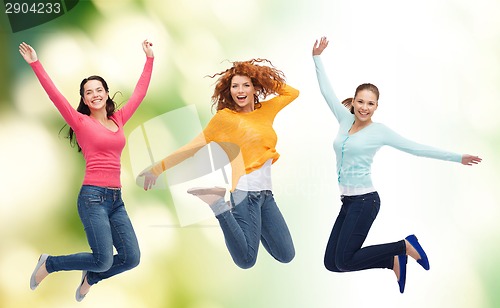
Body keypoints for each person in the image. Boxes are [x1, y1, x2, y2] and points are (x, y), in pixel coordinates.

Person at [312, 37, 481, 293]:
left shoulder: (379, 132)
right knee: (331, 264)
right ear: (354, 101)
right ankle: (391, 260)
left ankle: (403, 246)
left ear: (376, 106)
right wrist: (317, 58)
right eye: (360, 101)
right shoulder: (343, 120)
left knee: (345, 260)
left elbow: (416, 148)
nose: (364, 107)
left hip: (365, 202)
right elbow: (326, 91)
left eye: (370, 103)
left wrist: (458, 157)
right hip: (347, 203)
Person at [20, 40, 154, 301]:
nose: (94, 94)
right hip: (92, 198)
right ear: (83, 99)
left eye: (98, 90)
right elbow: (54, 96)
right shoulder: (80, 122)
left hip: (116, 200)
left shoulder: (119, 119)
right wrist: (35, 63)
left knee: (132, 258)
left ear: (106, 93)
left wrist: (149, 59)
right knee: (103, 259)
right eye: (88, 92)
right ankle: (49, 263)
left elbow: (139, 93)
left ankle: (90, 277)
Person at [138, 59, 299, 269]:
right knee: (246, 260)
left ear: (254, 88)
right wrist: (157, 168)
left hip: (267, 196)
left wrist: (259, 75)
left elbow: (292, 93)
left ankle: (244, 224)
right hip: (244, 193)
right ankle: (217, 203)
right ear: (229, 90)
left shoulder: (265, 111)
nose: (239, 90)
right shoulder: (224, 119)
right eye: (234, 86)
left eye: (245, 85)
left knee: (286, 254)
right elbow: (191, 148)